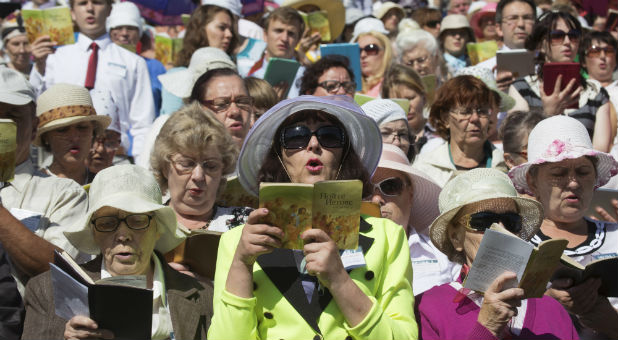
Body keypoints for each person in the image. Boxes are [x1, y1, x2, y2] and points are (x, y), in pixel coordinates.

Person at [208, 95, 417, 339]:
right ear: (280, 158)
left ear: (343, 156)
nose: (314, 144)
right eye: (296, 137)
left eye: (330, 136)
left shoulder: (388, 236)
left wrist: (339, 280)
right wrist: (242, 265)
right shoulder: (236, 243)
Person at [21, 164, 213, 339]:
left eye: (137, 221)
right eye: (108, 223)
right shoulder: (47, 292)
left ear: (158, 228)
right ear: (94, 232)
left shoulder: (203, 296)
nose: (123, 235)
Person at [416, 168, 578, 339]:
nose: (501, 230)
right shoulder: (429, 307)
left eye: (511, 222)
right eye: (483, 221)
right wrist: (488, 327)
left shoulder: (551, 309)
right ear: (455, 237)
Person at [508, 115, 618, 338]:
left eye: (583, 172)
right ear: (532, 181)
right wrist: (544, 304)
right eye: (558, 173)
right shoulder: (513, 244)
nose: (574, 182)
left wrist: (612, 323)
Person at [0, 68, 89, 295]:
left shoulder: (65, 193)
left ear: (33, 128)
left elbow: (57, 271)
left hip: (19, 326)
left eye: (12, 116)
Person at [29, 0, 155, 159]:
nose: (90, 9)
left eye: (97, 3)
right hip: (63, 156)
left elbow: (142, 123)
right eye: (82, 3)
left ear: (110, 10)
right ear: (72, 13)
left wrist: (140, 162)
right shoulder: (55, 57)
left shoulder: (133, 62)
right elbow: (36, 106)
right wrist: (39, 67)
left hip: (114, 156)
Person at [508, 11, 612, 153]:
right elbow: (516, 145)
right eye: (557, 36)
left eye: (573, 36)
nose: (567, 42)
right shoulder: (521, 88)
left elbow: (600, 150)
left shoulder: (596, 92)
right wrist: (549, 113)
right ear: (541, 45)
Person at [151, 102, 251, 235]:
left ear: (223, 170)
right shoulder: (144, 224)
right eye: (187, 164)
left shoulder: (246, 224)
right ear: (165, 168)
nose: (198, 176)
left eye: (210, 166)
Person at [371, 143, 456, 295]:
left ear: (410, 193)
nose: (377, 199)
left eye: (390, 186)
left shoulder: (443, 254)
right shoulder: (341, 254)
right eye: (367, 188)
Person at [412, 75, 507, 187]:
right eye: (465, 112)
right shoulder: (425, 169)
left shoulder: (505, 165)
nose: (475, 118)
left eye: (482, 111)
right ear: (445, 118)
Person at [160, 4, 238, 115]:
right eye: (222, 27)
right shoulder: (178, 76)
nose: (229, 34)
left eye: (230, 29)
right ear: (201, 28)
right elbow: (170, 125)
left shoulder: (235, 71)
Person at [34, 83, 110, 185]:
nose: (74, 137)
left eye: (82, 127)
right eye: (62, 130)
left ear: (92, 131)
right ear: (46, 137)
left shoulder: (104, 186)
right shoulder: (32, 189)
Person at [106, 1, 166, 116]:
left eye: (130, 28)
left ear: (139, 32)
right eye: (118, 28)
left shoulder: (155, 67)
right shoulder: (100, 63)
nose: (124, 33)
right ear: (110, 31)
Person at [242, 7, 305, 99]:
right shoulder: (250, 77)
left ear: (298, 40)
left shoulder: (308, 76)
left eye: (291, 33)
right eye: (278, 31)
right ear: (265, 35)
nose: (284, 38)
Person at [477, 0, 537, 92]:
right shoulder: (482, 71)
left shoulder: (546, 66)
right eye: (513, 18)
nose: (521, 24)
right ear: (499, 28)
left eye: (527, 18)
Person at [188, 67, 253, 149]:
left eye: (242, 101)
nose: (235, 111)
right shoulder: (182, 159)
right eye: (222, 104)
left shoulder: (265, 158)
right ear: (198, 110)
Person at [382, 63, 435, 157]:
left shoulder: (440, 133)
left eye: (410, 98)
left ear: (423, 97)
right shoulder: (382, 141)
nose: (407, 106)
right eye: (399, 101)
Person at [352, 29, 393, 97]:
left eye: (371, 49)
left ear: (385, 52)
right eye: (358, 50)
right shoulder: (349, 88)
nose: (363, 55)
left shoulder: (393, 84)